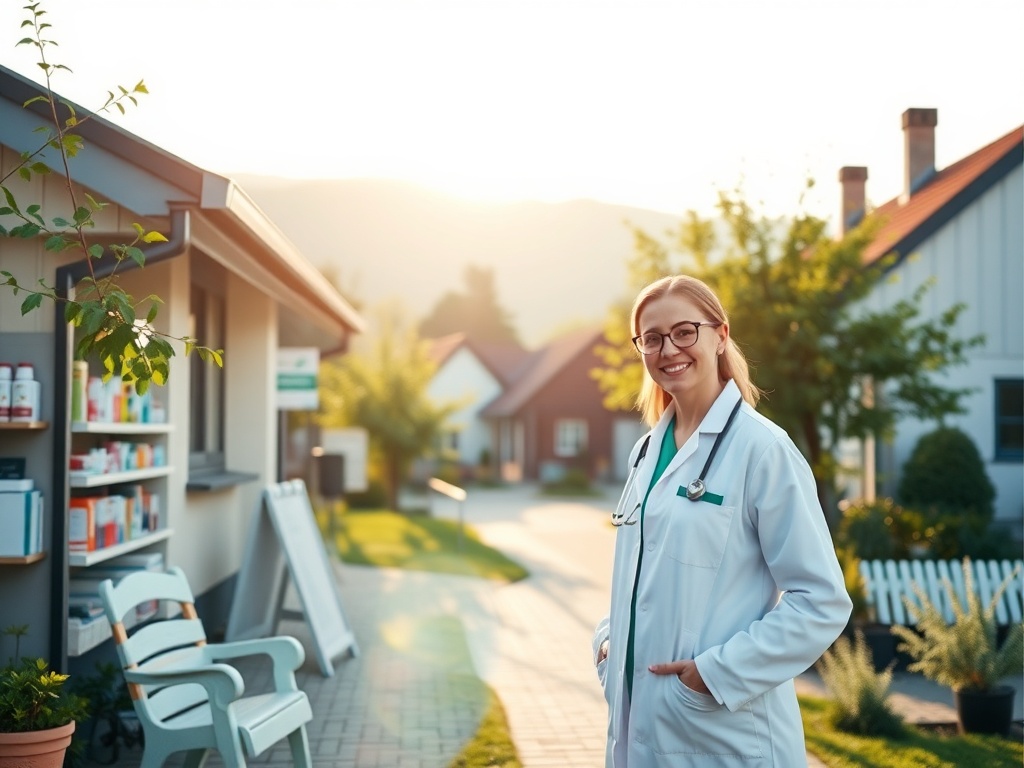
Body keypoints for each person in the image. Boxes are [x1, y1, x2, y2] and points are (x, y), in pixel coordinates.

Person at [592, 275, 852, 767]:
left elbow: (821, 602)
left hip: (723, 733)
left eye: (684, 331)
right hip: (641, 720)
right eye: (652, 338)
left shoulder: (763, 450)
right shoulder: (646, 451)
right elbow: (643, 576)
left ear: (720, 335)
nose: (668, 348)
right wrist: (610, 641)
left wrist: (715, 674)